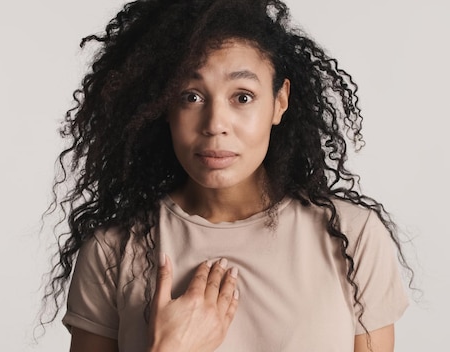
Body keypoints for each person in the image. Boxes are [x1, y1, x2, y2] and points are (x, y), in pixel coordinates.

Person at [42, 0, 411, 351]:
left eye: (243, 97)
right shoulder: (113, 251)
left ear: (279, 101)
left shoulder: (353, 238)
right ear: (163, 106)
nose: (216, 125)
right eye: (191, 96)